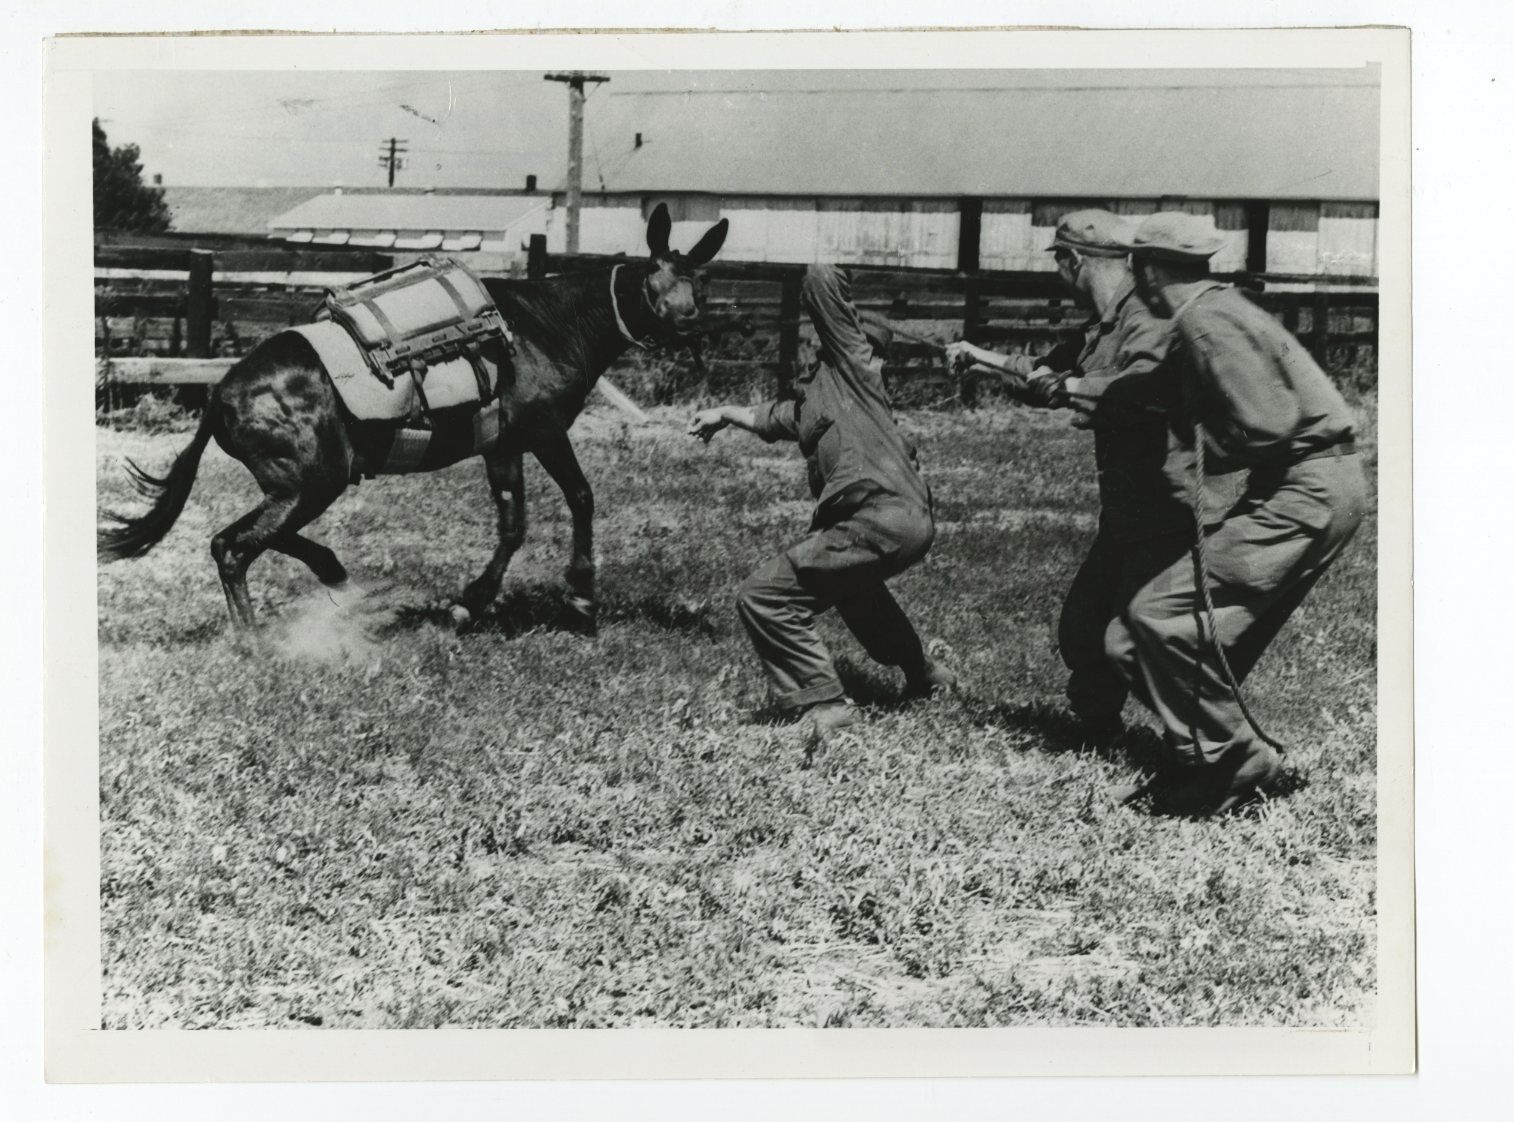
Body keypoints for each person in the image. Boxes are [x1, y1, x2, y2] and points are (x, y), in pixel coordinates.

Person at [1104, 210, 1368, 815]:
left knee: (1157, 612)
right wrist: (1057, 386)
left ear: (1145, 269)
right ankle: (1204, 762)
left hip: (1306, 489)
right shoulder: (1212, 309)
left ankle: (1235, 758)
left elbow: (1267, 426)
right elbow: (1151, 393)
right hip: (1310, 485)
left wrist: (1200, 437)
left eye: (1134, 266)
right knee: (1128, 641)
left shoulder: (1203, 321)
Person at [945, 209, 1216, 744]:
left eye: (1059, 264)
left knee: (1139, 637)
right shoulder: (1104, 322)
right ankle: (1099, 731)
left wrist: (1069, 387)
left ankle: (1203, 744)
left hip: (1169, 507)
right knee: (1083, 628)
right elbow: (1048, 371)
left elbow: (1141, 389)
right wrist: (980, 360)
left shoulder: (1145, 316)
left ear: (1072, 261)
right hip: (1127, 507)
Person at [688, 263, 955, 751]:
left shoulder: (854, 371)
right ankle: (927, 675)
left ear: (854, 347)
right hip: (896, 521)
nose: (812, 353)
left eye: (821, 345)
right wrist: (724, 414)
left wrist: (821, 263)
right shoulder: (823, 403)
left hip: (881, 514)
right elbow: (773, 417)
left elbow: (824, 283)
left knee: (764, 596)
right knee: (858, 595)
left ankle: (825, 705)